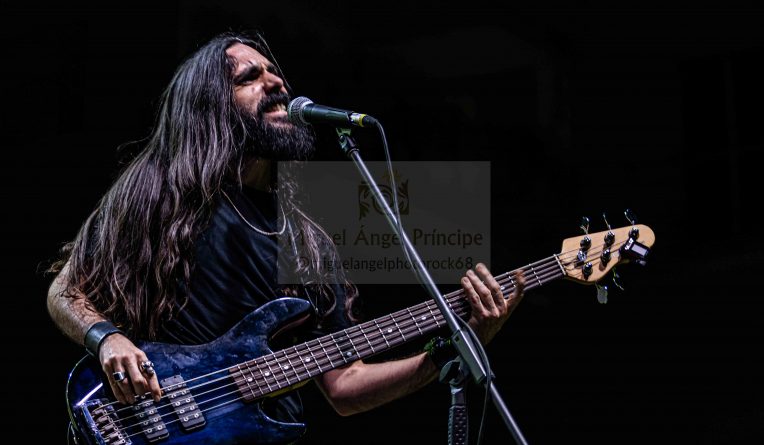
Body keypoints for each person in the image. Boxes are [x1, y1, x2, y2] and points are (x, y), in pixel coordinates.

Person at [46, 30, 525, 440]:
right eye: (249, 77)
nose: (276, 83)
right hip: (149, 422)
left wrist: (457, 344)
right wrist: (108, 340)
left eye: (275, 73)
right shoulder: (164, 188)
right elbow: (67, 289)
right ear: (212, 104)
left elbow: (344, 385)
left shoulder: (310, 243)